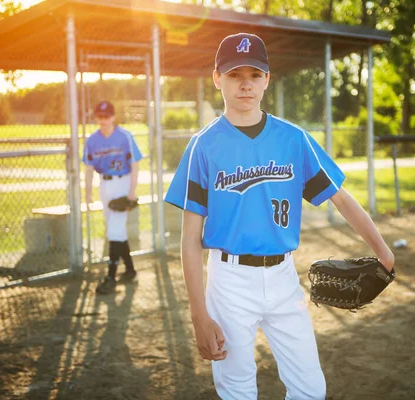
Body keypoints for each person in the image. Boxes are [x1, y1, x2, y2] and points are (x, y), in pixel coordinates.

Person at [164, 33, 395, 399]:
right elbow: (190, 238)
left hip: (285, 277)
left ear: (267, 79)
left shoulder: (293, 139)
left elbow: (340, 197)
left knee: (310, 388)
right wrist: (198, 314)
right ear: (217, 78)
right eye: (234, 74)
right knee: (237, 388)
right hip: (229, 281)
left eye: (254, 74)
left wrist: (382, 249)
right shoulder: (203, 146)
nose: (245, 83)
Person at [83, 101, 143, 295]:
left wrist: (131, 192)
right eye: (100, 117)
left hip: (122, 183)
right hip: (105, 184)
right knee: (115, 229)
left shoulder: (125, 136)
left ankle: (110, 277)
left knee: (114, 231)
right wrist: (88, 193)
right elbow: (89, 168)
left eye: (107, 116)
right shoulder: (92, 140)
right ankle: (130, 270)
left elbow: (135, 165)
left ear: (113, 117)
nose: (103, 120)